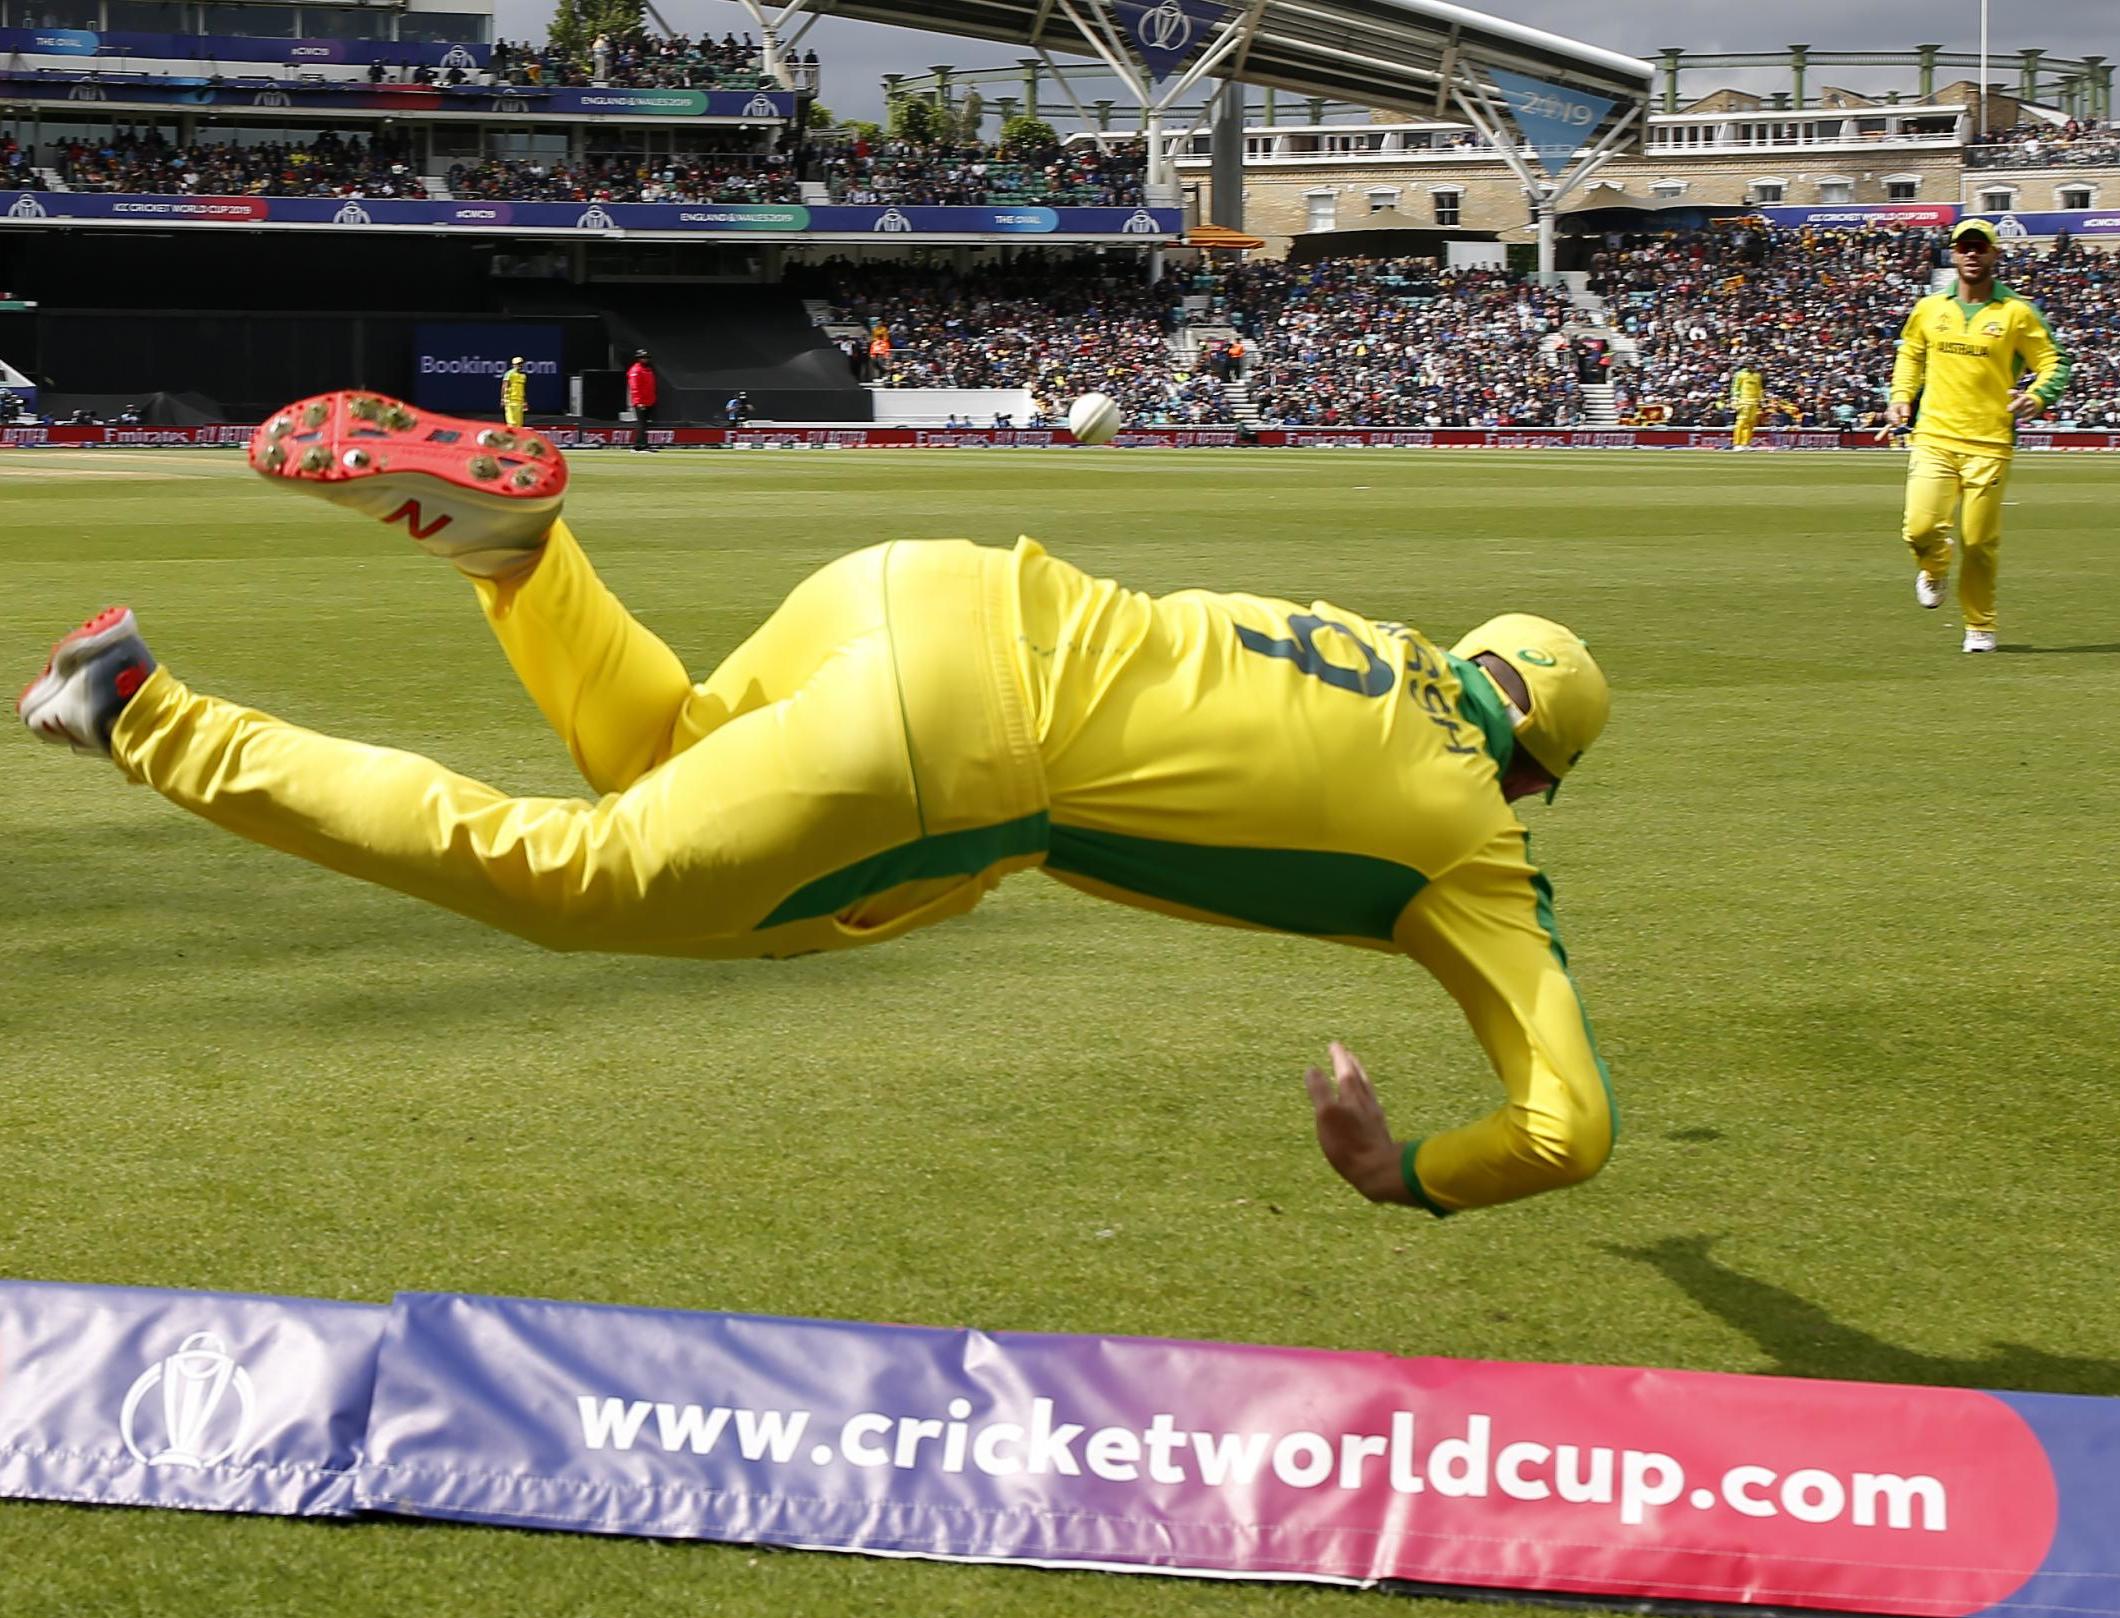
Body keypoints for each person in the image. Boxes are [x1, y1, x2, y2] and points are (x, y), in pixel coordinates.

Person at [18, 387, 1618, 1220]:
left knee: (666, 759)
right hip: (964, 749)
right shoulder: (1481, 842)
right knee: (576, 876)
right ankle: (138, 706)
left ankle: (514, 551)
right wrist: (1404, 1166)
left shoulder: (1373, 640)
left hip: (916, 585)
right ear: (1535, 765)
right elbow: (1568, 1127)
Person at [1886, 220, 2071, 652]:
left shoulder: (2017, 313)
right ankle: (1934, 565)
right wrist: (1900, 396)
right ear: (1953, 255)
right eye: (1964, 248)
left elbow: (2055, 362)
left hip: (1989, 443)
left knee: (1979, 542)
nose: (1972, 255)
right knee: (1918, 529)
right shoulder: (1930, 309)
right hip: (1934, 436)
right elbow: (1911, 354)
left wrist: (2038, 397)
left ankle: (1979, 624)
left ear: (1994, 255)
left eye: (1980, 248)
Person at [625, 349, 657, 452]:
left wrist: (652, 399)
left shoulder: (648, 370)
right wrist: (639, 402)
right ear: (638, 359)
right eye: (643, 357)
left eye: (647, 357)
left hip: (649, 401)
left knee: (645, 424)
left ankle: (644, 444)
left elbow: (651, 386)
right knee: (641, 424)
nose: (645, 359)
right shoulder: (635, 370)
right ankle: (638, 446)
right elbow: (635, 388)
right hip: (641, 402)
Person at [1729, 362, 1764, 451]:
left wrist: (1761, 400)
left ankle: (1746, 444)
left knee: (1751, 424)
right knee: (1741, 423)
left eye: (1753, 364)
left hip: (1754, 402)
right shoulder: (1740, 374)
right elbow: (1735, 387)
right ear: (1746, 365)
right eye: (1750, 364)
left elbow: (1759, 389)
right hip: (1743, 401)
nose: (1752, 366)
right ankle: (1737, 444)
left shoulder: (1757, 375)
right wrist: (1734, 399)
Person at [500, 355, 527, 430]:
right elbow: (504, 387)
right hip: (510, 402)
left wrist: (524, 402)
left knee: (519, 425)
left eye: (521, 363)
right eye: (518, 364)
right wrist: (502, 399)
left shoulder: (523, 376)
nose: (520, 365)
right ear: (513, 365)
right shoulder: (509, 374)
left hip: (519, 402)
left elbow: (522, 389)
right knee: (511, 424)